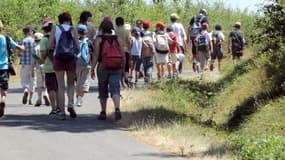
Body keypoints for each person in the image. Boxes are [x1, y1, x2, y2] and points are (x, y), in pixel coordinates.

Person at [48, 12, 80, 120]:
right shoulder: (73, 29)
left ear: (60, 20)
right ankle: (70, 103)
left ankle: (62, 112)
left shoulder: (55, 28)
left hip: (58, 58)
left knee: (60, 86)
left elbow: (49, 45)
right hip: (71, 58)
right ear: (69, 19)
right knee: (71, 84)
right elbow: (78, 46)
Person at [91, 20, 124, 121]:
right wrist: (123, 68)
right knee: (115, 88)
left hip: (103, 66)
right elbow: (122, 54)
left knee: (102, 88)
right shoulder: (117, 39)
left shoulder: (98, 40)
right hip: (116, 66)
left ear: (101, 28)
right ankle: (117, 108)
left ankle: (103, 112)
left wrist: (92, 68)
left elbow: (96, 55)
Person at [0, 20, 25, 117]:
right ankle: (2, 100)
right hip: (4, 67)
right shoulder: (6, 38)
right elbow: (18, 48)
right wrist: (23, 47)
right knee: (3, 87)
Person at [38, 18, 60, 116]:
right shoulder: (58, 37)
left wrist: (40, 60)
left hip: (49, 67)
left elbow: (43, 55)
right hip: (60, 66)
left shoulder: (44, 39)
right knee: (59, 88)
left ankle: (54, 108)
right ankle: (60, 107)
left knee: (51, 88)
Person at [75, 24, 94, 106]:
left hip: (77, 64)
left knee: (78, 81)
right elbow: (93, 53)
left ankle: (78, 95)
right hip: (87, 64)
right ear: (86, 32)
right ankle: (80, 98)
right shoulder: (89, 42)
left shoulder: (75, 42)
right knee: (84, 81)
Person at [19, 25, 37, 105]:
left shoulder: (22, 41)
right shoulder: (33, 41)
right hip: (32, 64)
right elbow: (35, 53)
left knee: (24, 79)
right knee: (33, 81)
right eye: (32, 31)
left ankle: (25, 90)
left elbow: (18, 53)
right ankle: (30, 99)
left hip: (24, 64)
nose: (33, 32)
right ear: (30, 32)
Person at [33, 32, 50, 107]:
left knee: (39, 83)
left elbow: (33, 60)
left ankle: (39, 98)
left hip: (37, 66)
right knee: (46, 81)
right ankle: (46, 93)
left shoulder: (34, 48)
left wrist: (32, 69)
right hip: (45, 66)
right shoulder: (44, 47)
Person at [114, 17, 131, 87]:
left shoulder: (114, 30)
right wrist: (129, 50)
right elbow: (129, 41)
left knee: (119, 67)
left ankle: (120, 81)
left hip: (116, 51)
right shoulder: (126, 30)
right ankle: (126, 77)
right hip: (125, 50)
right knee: (126, 66)